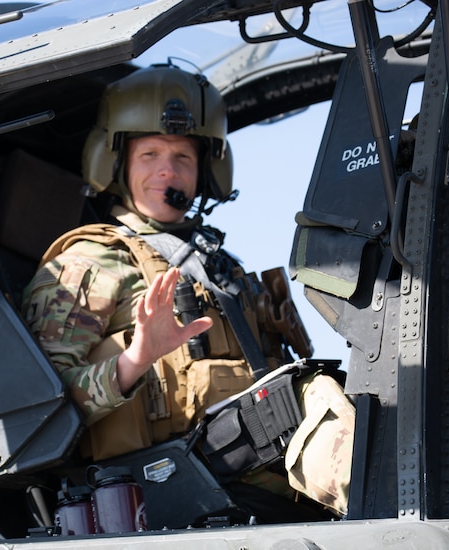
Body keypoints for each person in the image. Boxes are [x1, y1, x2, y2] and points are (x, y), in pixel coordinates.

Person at [21, 63, 353, 520]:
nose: (166, 172)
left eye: (182, 158)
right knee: (316, 397)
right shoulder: (90, 261)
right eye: (150, 155)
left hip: (258, 464)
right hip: (172, 480)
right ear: (115, 163)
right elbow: (39, 412)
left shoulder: (220, 266)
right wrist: (134, 360)